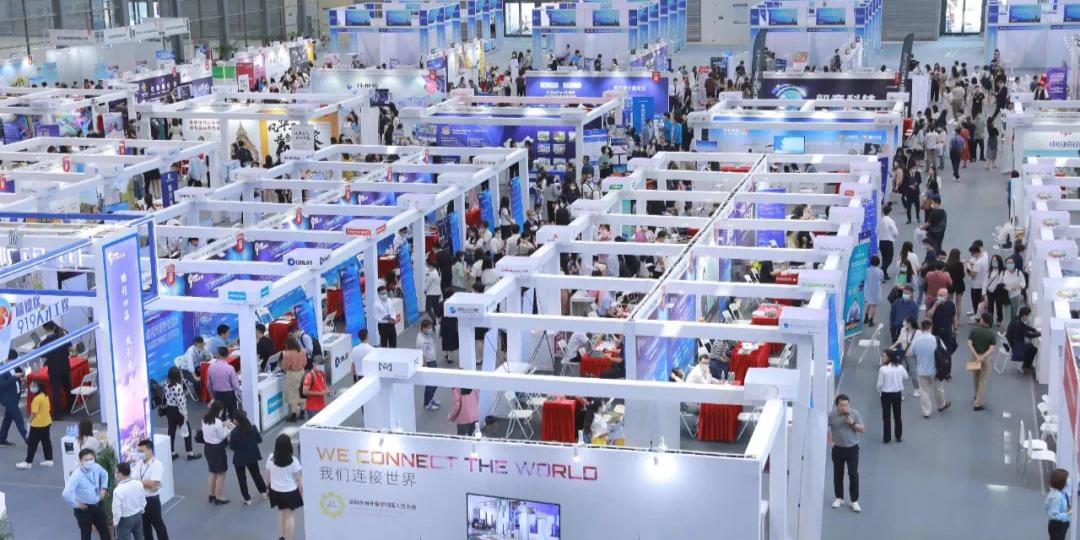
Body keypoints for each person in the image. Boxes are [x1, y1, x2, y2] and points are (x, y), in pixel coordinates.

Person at [63, 448, 112, 540]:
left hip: (98, 505)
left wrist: (104, 488)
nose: (89, 462)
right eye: (86, 460)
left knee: (104, 531)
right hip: (84, 509)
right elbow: (66, 493)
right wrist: (76, 504)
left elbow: (105, 474)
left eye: (91, 459)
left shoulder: (96, 467)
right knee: (86, 534)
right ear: (81, 461)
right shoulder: (77, 475)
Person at [828, 394, 864, 513]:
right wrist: (830, 442)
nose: (844, 407)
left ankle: (854, 501)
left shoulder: (855, 414)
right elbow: (824, 428)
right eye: (842, 405)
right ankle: (839, 498)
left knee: (853, 474)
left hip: (852, 448)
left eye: (846, 405)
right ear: (837, 406)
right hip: (838, 448)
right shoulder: (831, 415)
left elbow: (862, 429)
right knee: (838, 473)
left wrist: (852, 423)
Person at [265, 434, 303, 540]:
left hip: (276, 491)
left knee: (282, 513)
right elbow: (298, 479)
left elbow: (267, 475)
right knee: (290, 516)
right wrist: (302, 493)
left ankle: (282, 536)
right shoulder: (293, 461)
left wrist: (267, 487)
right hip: (289, 492)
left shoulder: (271, 458)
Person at [911, 320, 951, 417]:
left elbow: (912, 353)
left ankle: (926, 411)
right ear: (931, 327)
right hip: (935, 370)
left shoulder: (916, 340)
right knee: (939, 388)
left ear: (921, 328)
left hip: (921, 370)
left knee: (924, 391)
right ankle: (941, 405)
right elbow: (944, 351)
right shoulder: (936, 339)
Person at [228, 410, 268, 505]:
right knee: (256, 474)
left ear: (236, 420)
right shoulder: (253, 428)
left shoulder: (234, 432)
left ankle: (247, 499)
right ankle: (263, 492)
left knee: (242, 478)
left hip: (239, 458)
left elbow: (232, 447)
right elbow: (259, 440)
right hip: (252, 456)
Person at [162, 367, 200, 461]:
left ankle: (171, 452)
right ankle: (190, 453)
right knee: (187, 431)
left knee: (171, 431)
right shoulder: (178, 387)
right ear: (177, 375)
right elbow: (181, 402)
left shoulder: (166, 385)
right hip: (179, 411)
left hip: (169, 410)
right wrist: (185, 415)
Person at [133, 439, 167, 540]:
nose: (139, 454)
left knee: (158, 525)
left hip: (152, 500)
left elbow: (153, 484)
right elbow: (133, 480)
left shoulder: (157, 465)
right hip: (140, 500)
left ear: (150, 450)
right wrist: (144, 482)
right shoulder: (139, 464)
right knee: (145, 527)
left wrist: (138, 482)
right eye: (138, 451)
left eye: (141, 451)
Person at [38, 321, 72, 420]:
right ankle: (71, 407)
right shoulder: (63, 337)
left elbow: (43, 357)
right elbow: (69, 349)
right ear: (54, 327)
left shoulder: (43, 343)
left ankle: (57, 414)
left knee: (56, 392)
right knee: (68, 388)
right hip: (65, 366)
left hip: (54, 370)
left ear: (44, 329)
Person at [16, 376, 52, 469]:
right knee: (46, 441)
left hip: (37, 425)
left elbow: (34, 413)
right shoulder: (45, 395)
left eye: (33, 386)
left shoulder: (37, 399)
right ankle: (49, 459)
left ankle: (28, 462)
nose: (31, 387)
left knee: (32, 444)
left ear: (39, 387)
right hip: (47, 422)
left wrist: (29, 422)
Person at [200, 401, 232, 505]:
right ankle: (220, 496)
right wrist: (228, 428)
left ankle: (211, 494)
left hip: (208, 447)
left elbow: (212, 429)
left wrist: (223, 424)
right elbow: (222, 436)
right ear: (220, 410)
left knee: (212, 471)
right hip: (217, 449)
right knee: (221, 473)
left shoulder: (205, 419)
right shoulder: (217, 422)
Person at [877, 349, 908, 443]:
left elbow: (880, 384)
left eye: (884, 356)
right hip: (897, 394)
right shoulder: (900, 367)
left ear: (889, 358)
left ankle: (887, 438)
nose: (882, 357)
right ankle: (898, 436)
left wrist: (880, 392)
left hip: (886, 394)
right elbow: (906, 376)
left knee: (886, 417)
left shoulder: (883, 369)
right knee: (897, 415)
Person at [968, 313, 997, 411]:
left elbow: (969, 345)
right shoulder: (991, 333)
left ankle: (976, 395)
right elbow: (991, 349)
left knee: (975, 377)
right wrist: (982, 357)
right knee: (983, 381)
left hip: (974, 357)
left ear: (982, 320)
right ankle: (978, 403)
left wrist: (976, 356)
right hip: (986, 359)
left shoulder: (974, 330)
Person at [112, 461, 146, 540]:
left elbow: (116, 509)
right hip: (138, 516)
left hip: (125, 519)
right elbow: (143, 501)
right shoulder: (138, 484)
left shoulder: (118, 490)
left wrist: (115, 522)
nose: (116, 474)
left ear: (120, 474)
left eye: (117, 472)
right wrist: (141, 510)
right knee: (140, 537)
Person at [206, 347, 240, 420]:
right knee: (233, 415)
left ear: (217, 354)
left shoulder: (210, 367)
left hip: (217, 394)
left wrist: (212, 395)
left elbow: (209, 384)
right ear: (227, 355)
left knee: (220, 416)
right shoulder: (230, 368)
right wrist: (239, 393)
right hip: (229, 395)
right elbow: (235, 385)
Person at [0, 363, 27, 447]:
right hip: (8, 399)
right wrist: (15, 377)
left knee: (7, 419)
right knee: (19, 418)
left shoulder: (14, 366)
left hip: (15, 397)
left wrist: (21, 378)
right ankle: (28, 439)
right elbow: (2, 384)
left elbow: (15, 379)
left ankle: (2, 439)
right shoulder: (2, 368)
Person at [281, 337, 307, 422]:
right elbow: (305, 363)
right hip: (302, 373)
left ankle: (293, 415)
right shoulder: (302, 351)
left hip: (292, 375)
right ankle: (302, 413)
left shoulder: (288, 354)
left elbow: (284, 367)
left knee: (293, 395)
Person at [1007, 307, 1041, 373]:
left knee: (1031, 346)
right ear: (1024, 315)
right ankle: (1026, 367)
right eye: (1028, 315)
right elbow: (1028, 335)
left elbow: (1026, 327)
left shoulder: (1018, 320)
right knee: (1033, 349)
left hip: (1013, 341)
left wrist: (1035, 330)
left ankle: (1026, 366)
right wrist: (1038, 334)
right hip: (1015, 345)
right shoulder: (1018, 323)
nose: (1029, 317)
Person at [416, 319, 440, 411]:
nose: (430, 329)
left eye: (431, 327)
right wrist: (425, 364)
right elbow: (421, 354)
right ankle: (427, 403)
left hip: (433, 360)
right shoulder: (420, 340)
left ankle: (431, 398)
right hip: (428, 363)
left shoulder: (427, 335)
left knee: (435, 382)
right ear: (423, 328)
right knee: (430, 384)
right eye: (429, 328)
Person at [1047, 468, 1072, 540]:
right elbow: (1054, 515)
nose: (1069, 480)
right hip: (1057, 525)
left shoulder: (1063, 492)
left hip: (1063, 524)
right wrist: (1067, 514)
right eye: (1067, 478)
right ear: (1061, 481)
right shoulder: (1056, 497)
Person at [966, 242, 989, 318]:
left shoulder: (978, 262)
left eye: (972, 253)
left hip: (976, 285)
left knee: (976, 302)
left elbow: (973, 275)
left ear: (975, 252)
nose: (971, 255)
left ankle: (977, 317)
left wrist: (967, 268)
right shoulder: (985, 255)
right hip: (982, 283)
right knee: (980, 302)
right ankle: (979, 315)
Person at [1002, 257, 1027, 323]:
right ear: (1006, 264)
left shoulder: (1018, 272)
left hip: (1015, 295)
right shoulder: (1004, 272)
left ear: (1014, 263)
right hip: (1005, 295)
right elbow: (1000, 282)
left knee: (1014, 312)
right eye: (1008, 263)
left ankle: (1012, 325)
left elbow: (1023, 283)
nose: (1010, 264)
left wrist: (1017, 286)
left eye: (1011, 262)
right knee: (1006, 313)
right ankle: (1007, 326)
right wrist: (1004, 287)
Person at [878, 204, 898, 279]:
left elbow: (876, 230)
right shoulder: (890, 221)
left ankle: (885, 274)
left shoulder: (880, 220)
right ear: (890, 212)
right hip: (888, 242)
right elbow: (895, 232)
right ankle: (882, 270)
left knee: (884, 257)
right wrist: (894, 237)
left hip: (881, 241)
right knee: (889, 258)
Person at [865, 255, 884, 325]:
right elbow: (882, 279)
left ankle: (866, 317)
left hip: (868, 289)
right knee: (874, 305)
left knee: (869, 303)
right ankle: (871, 320)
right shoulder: (880, 271)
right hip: (876, 290)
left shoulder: (867, 270)